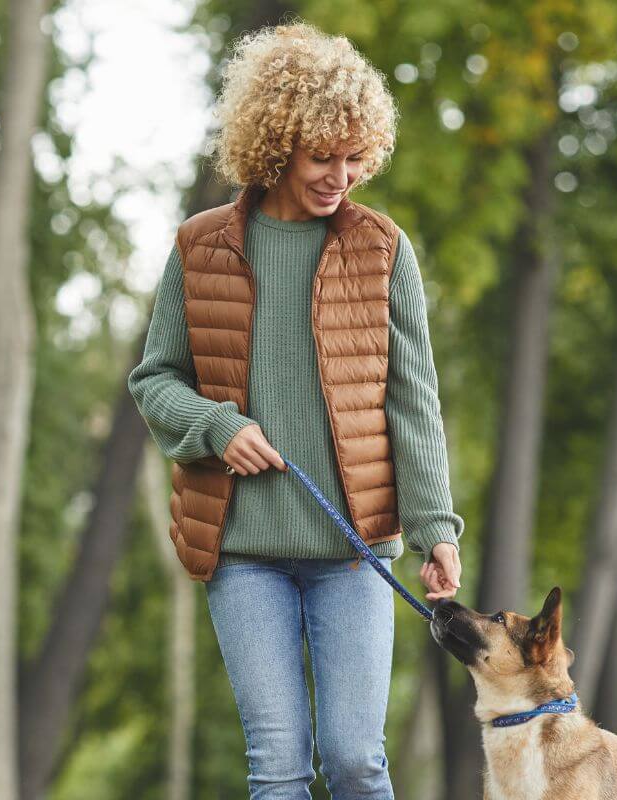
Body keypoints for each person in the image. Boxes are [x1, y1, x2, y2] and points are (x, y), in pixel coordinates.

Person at [128, 20, 463, 799]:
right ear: (276, 145)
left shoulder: (382, 250)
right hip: (243, 551)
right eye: (322, 157)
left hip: (353, 551)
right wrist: (218, 427)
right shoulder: (201, 248)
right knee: (277, 766)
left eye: (355, 158)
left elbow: (413, 402)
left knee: (355, 759)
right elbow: (155, 380)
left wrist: (436, 528)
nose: (341, 177)